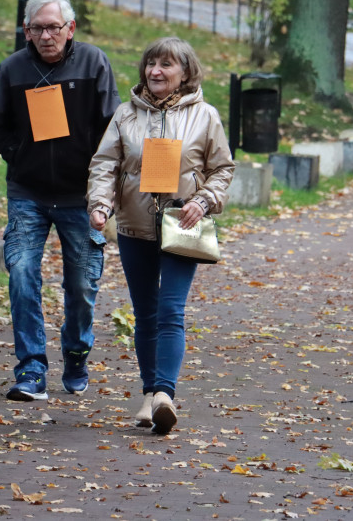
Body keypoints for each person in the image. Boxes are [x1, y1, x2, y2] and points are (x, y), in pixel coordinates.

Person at [88, 37, 234, 434]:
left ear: (185, 73)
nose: (155, 71)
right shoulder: (125, 114)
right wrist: (100, 204)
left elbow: (223, 169)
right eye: (151, 64)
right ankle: (151, 395)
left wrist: (203, 202)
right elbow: (104, 164)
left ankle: (165, 395)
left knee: (170, 311)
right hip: (135, 226)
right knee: (145, 315)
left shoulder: (205, 116)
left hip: (182, 227)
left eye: (166, 65)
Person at [0, 0, 120, 401]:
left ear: (70, 29)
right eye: (38, 28)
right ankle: (31, 369)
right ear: (27, 31)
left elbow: (112, 128)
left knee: (81, 284)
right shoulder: (12, 69)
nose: (46, 35)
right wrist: (20, 154)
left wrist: (101, 186)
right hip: (28, 193)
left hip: (80, 196)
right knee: (22, 273)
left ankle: (76, 352)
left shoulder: (94, 64)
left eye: (54, 27)